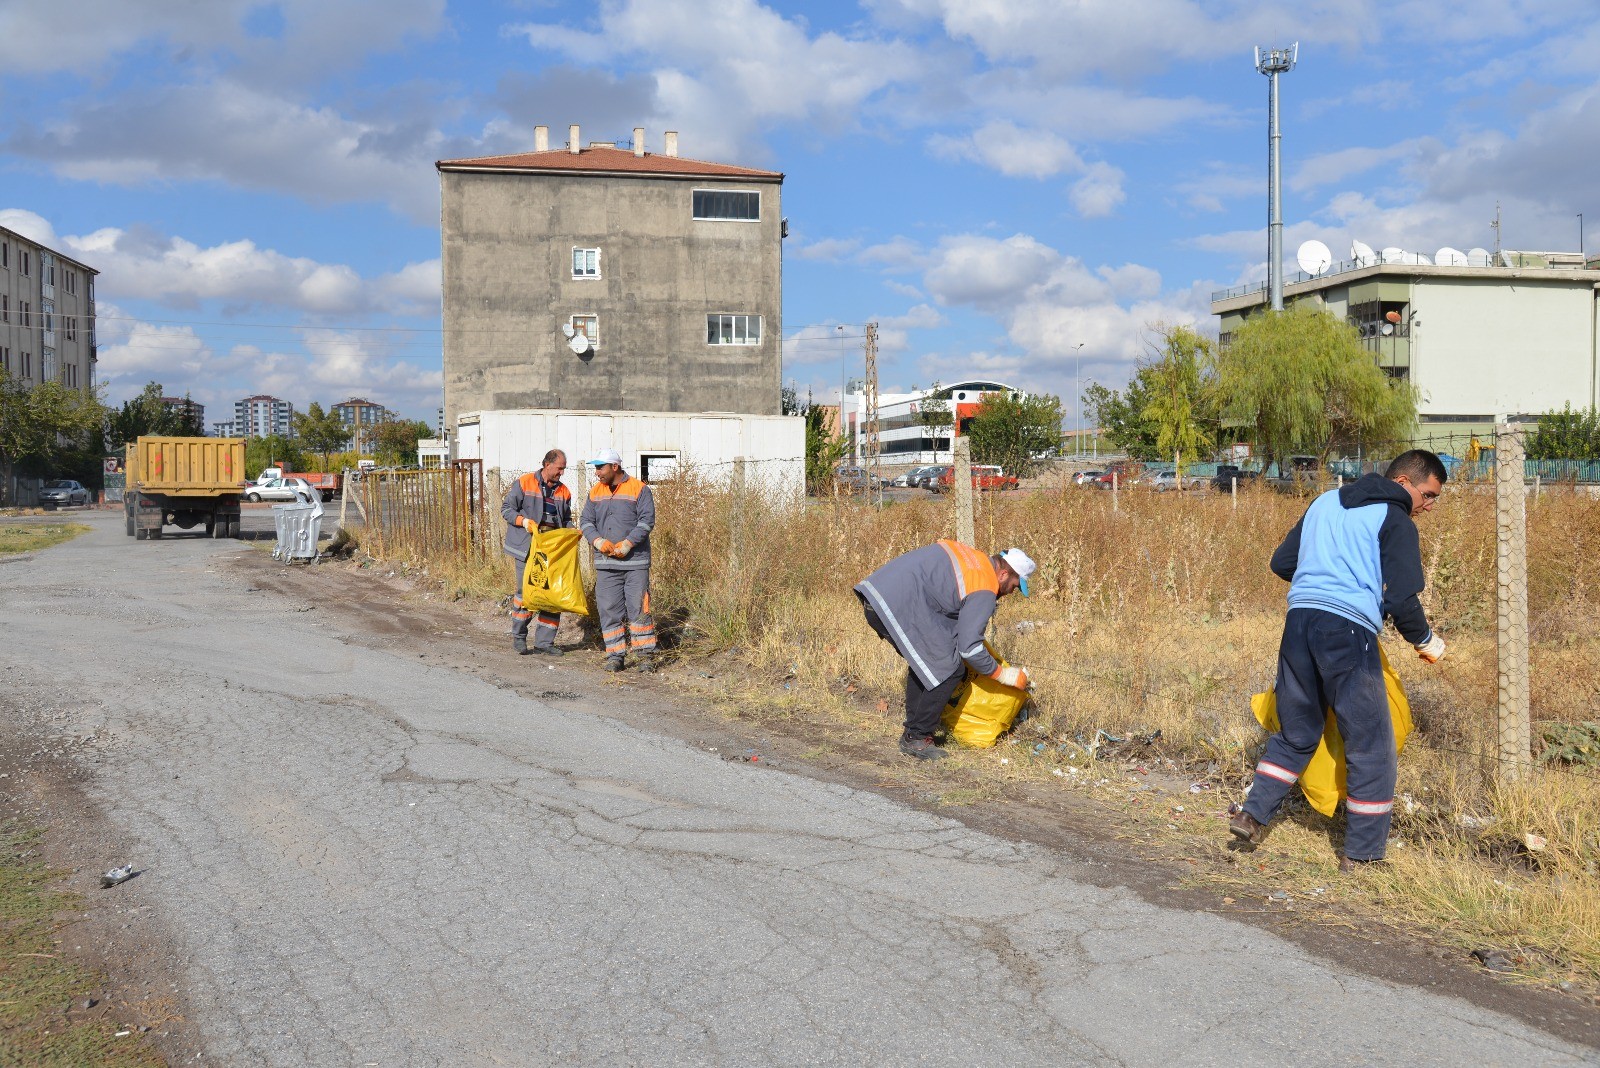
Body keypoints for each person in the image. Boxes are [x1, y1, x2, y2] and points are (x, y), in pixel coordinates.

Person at [1231, 449, 1449, 870]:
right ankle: (1363, 856)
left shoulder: (1324, 501)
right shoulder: (1395, 517)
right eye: (1428, 494)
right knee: (1371, 744)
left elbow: (1282, 563)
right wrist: (1424, 640)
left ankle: (1251, 816)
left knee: (1298, 733)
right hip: (1347, 633)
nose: (1429, 505)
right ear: (1403, 482)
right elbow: (1402, 598)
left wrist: (1325, 576)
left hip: (1298, 626)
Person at [854, 542, 1036, 761]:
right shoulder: (985, 585)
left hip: (878, 593)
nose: (1010, 593)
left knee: (929, 659)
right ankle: (917, 737)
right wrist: (1004, 675)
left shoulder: (975, 559)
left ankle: (914, 729)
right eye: (1015, 586)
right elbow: (970, 649)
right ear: (1004, 574)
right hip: (895, 604)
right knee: (948, 667)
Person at [580, 448, 657, 673]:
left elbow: (646, 521)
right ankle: (615, 656)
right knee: (609, 609)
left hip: (635, 563)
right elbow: (586, 521)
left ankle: (645, 656)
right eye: (595, 468)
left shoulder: (640, 489)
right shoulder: (595, 492)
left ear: (614, 467)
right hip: (606, 564)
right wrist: (597, 541)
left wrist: (628, 544)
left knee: (639, 609)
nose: (597, 473)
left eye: (600, 468)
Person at [500, 449, 574, 656]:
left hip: (552, 550)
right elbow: (506, 509)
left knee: (552, 595)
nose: (562, 473)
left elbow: (566, 518)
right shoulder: (524, 482)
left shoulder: (564, 491)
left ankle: (544, 642)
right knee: (527, 593)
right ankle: (519, 638)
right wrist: (523, 521)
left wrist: (571, 530)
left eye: (564, 469)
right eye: (560, 468)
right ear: (547, 464)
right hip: (526, 548)